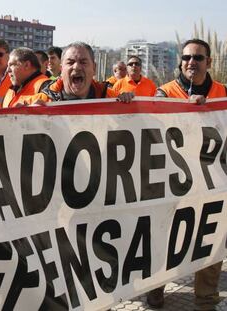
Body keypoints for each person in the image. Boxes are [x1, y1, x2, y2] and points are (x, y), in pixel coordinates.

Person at [147, 39, 226, 311]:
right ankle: (155, 288)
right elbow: (150, 122)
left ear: (209, 62)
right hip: (170, 183)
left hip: (211, 183)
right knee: (162, 238)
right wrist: (186, 111)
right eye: (187, 57)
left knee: (211, 240)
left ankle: (205, 300)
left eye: (198, 58)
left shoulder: (223, 93)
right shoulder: (164, 92)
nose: (192, 62)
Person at [24, 42, 133, 104]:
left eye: (83, 62)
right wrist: (28, 117)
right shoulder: (40, 101)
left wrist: (129, 104)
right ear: (62, 69)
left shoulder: (111, 99)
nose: (76, 67)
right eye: (70, 62)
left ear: (94, 68)